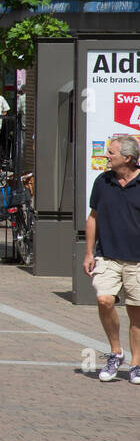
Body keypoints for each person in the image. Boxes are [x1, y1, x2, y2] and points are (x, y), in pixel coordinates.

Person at [85, 135, 140, 382]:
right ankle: (115, 352)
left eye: (111, 153)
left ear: (127, 158)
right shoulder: (103, 181)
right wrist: (88, 252)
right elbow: (93, 217)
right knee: (105, 300)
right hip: (107, 254)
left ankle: (136, 364)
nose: (107, 156)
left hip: (137, 259)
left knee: (136, 311)